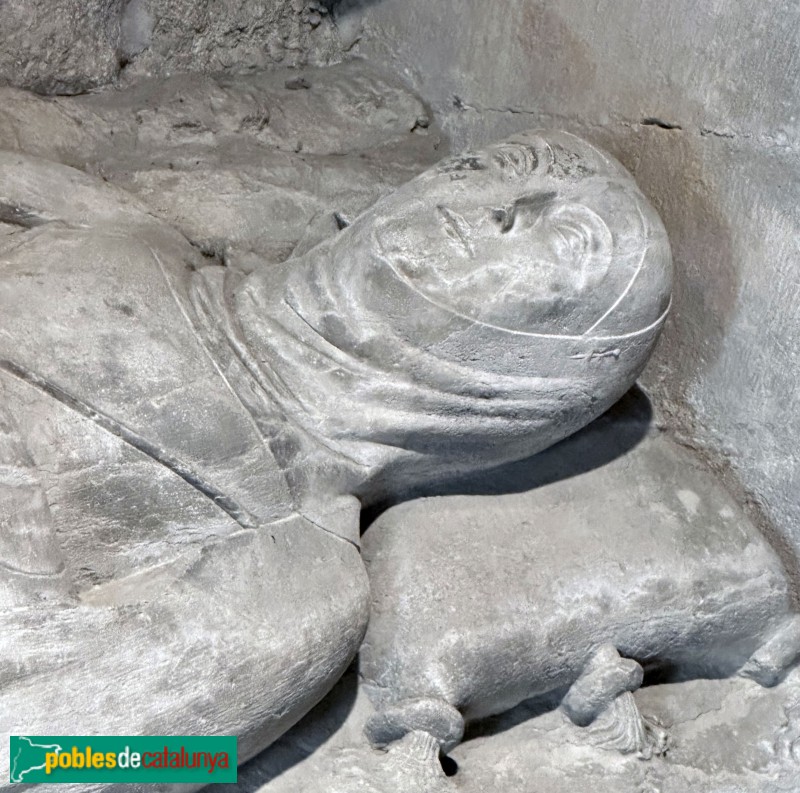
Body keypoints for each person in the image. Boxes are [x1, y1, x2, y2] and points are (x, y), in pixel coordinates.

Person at [0, 129, 670, 780]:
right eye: (511, 162)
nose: (504, 207)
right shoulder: (122, 228)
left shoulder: (300, 590)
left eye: (567, 242)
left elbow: (58, 756)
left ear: (549, 371)